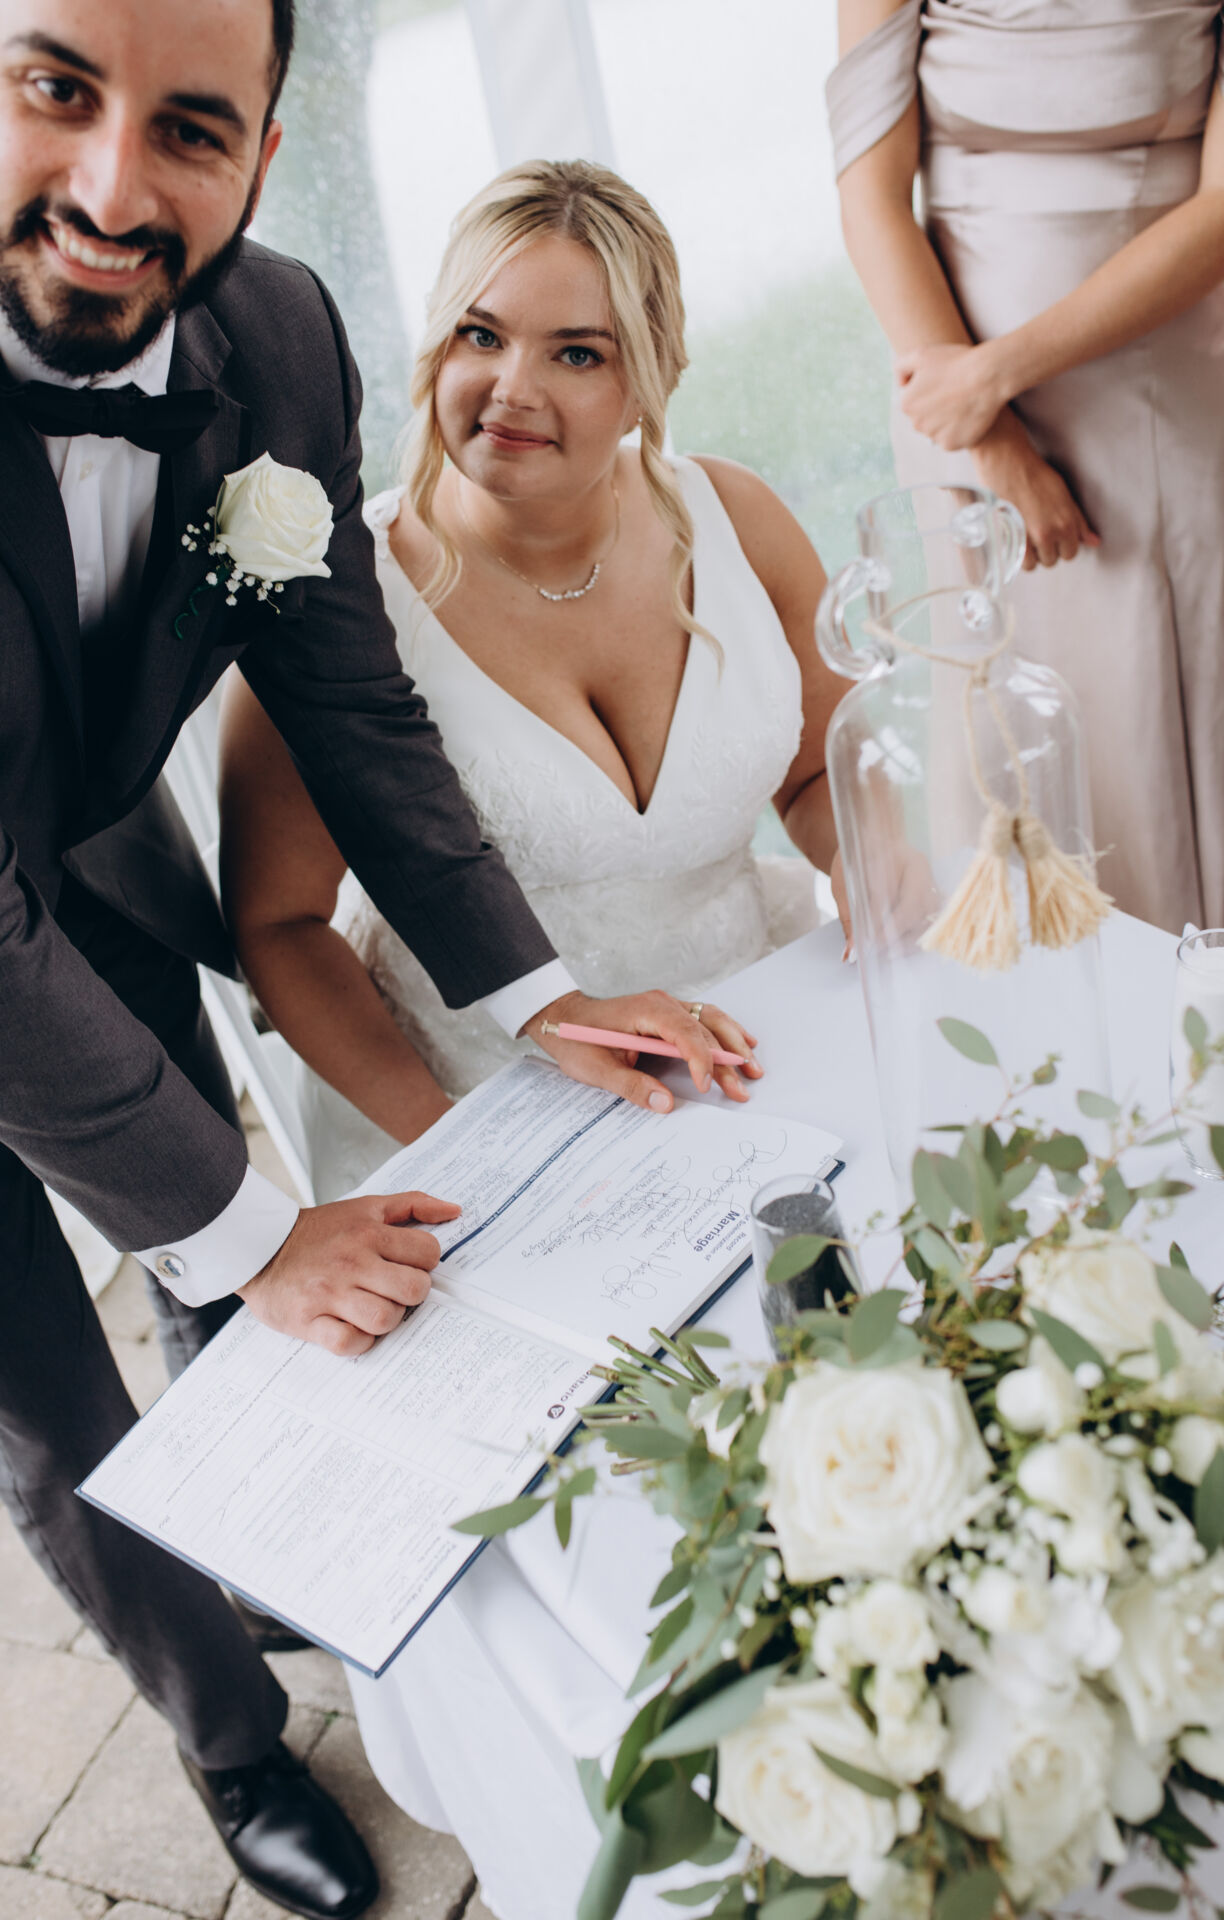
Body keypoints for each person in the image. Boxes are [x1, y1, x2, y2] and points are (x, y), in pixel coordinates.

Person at [0, 7, 730, 1917]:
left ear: (263, 152)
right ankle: (231, 1740)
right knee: (51, 1398)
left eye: (191, 127)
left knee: (195, 1221)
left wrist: (536, 998)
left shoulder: (277, 335)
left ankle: (266, 1537)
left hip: (84, 850)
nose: (112, 188)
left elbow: (347, 694)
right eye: (56, 88)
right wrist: (262, 1231)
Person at [218, 158, 873, 1201]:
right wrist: (459, 1147)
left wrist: (874, 872)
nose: (512, 388)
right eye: (481, 335)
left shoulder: (738, 521)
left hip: (756, 1040)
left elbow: (817, 777)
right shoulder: (341, 601)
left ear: (646, 379)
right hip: (468, 1100)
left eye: (575, 352)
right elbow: (279, 925)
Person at [828, 0, 1224, 957]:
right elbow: (870, 196)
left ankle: (1220, 1026)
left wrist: (996, 374)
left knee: (1197, 757)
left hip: (1175, 401)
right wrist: (989, 434)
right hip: (949, 395)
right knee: (996, 743)